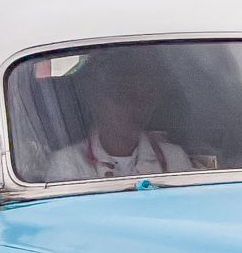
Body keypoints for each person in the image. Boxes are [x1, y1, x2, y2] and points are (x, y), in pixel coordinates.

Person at [40, 51, 191, 182]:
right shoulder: (67, 164)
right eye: (123, 97)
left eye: (144, 98)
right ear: (96, 101)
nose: (134, 108)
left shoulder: (174, 159)